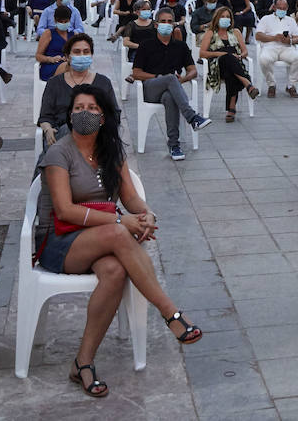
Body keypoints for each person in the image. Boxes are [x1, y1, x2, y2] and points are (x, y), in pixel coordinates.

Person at [35, 84, 203, 396]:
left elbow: (130, 198)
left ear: (103, 117)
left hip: (100, 238)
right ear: (70, 115)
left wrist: (146, 213)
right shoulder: (59, 152)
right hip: (59, 241)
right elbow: (65, 210)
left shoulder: (111, 150)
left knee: (114, 271)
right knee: (118, 231)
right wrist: (120, 220)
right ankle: (171, 314)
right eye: (79, 108)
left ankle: (82, 363)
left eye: (93, 109)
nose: (85, 113)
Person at [131, 9, 208, 160]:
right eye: (163, 22)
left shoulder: (181, 46)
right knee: (170, 79)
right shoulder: (146, 45)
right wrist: (158, 77)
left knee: (170, 96)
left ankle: (174, 145)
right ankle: (192, 117)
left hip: (171, 90)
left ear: (173, 25)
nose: (166, 25)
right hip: (150, 88)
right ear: (156, 24)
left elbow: (193, 71)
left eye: (169, 22)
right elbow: (136, 73)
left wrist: (184, 79)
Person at [38, 33, 121, 148]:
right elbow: (45, 116)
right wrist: (48, 129)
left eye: (86, 52)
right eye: (77, 52)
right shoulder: (54, 83)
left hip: (96, 136)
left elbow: (114, 114)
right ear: (67, 57)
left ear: (91, 55)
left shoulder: (103, 82)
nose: (82, 55)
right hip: (62, 136)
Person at [197, 7, 260, 122]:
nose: (225, 19)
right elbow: (202, 53)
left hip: (235, 63)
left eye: (227, 17)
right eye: (222, 17)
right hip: (217, 65)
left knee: (231, 70)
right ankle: (247, 85)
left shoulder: (235, 32)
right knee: (228, 58)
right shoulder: (211, 33)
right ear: (217, 18)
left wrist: (240, 56)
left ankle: (231, 108)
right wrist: (221, 53)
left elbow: (245, 51)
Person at [255, 0, 298, 98]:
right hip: (270, 47)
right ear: (274, 7)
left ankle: (291, 85)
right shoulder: (266, 19)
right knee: (264, 59)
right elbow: (258, 35)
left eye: (284, 8)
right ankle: (271, 84)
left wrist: (289, 40)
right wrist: (274, 38)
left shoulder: (290, 20)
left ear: (287, 8)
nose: (281, 10)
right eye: (279, 8)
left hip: (286, 48)